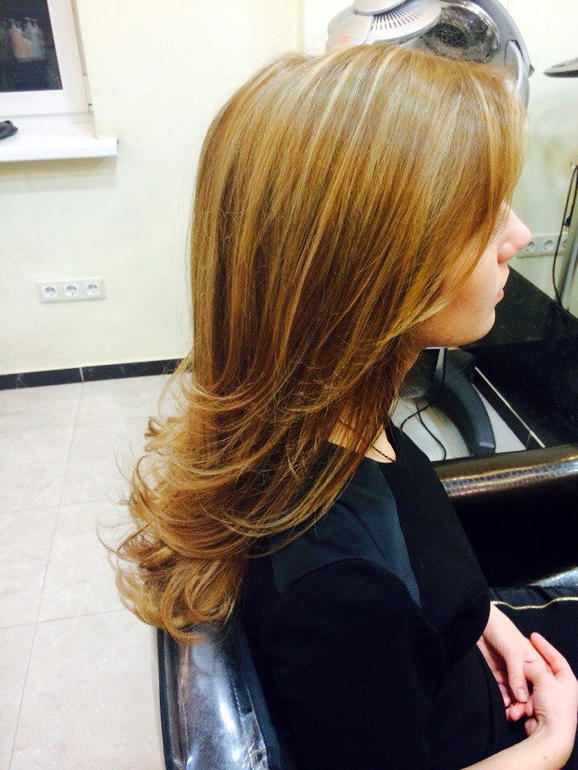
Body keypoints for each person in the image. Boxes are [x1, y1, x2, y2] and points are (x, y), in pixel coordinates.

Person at [110, 42, 578, 768]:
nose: (517, 236)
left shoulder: (326, 417)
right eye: (484, 215)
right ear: (376, 259)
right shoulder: (342, 594)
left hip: (492, 669)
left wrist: (488, 621)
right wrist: (553, 742)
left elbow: (422, 570)